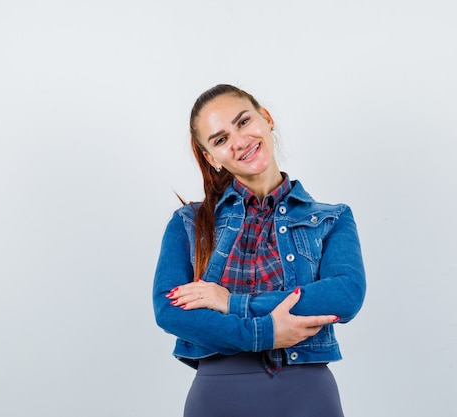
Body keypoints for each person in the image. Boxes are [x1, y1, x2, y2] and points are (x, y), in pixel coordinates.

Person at [152, 84, 366, 417]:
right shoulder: (188, 223)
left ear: (266, 119)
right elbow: (170, 311)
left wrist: (230, 302)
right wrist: (262, 333)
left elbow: (345, 296)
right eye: (220, 140)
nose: (238, 142)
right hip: (217, 400)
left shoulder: (331, 218)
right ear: (212, 158)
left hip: (307, 398)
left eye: (243, 122)